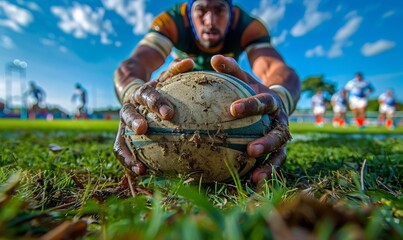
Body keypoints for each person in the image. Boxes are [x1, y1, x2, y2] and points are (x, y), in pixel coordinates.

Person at [113, 0, 300, 184]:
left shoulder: (247, 26)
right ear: (189, 10)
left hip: (227, 93)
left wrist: (278, 100)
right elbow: (134, 64)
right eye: (201, 10)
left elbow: (276, 69)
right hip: (179, 93)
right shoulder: (172, 21)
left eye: (219, 10)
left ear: (231, 11)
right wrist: (133, 95)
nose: (210, 21)